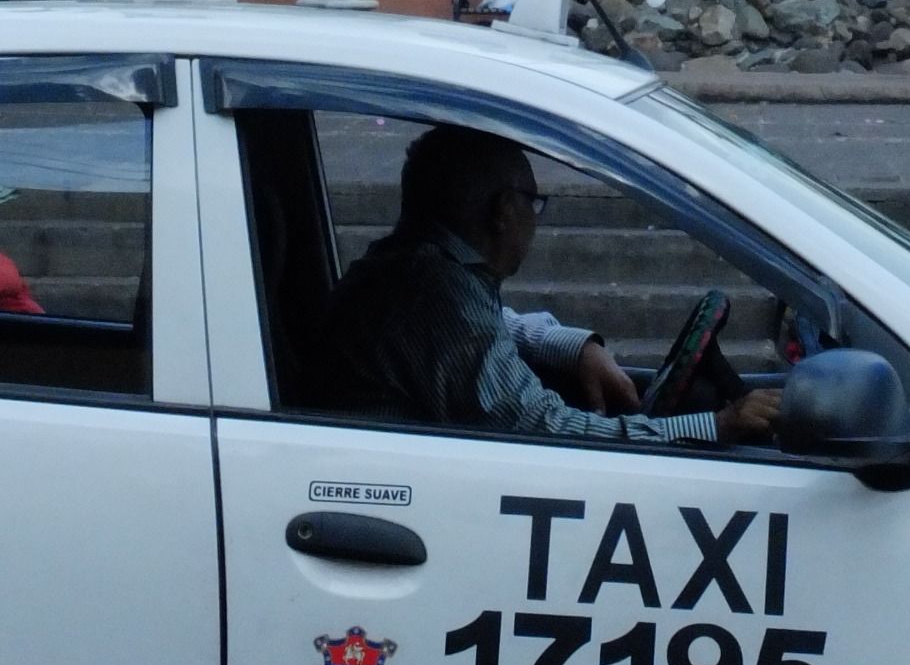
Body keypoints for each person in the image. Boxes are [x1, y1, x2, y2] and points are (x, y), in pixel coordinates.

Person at [325, 124, 781, 449]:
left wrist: (574, 348)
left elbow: (496, 323)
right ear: (503, 211)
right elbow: (542, 429)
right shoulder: (433, 296)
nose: (534, 217)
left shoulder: (417, 272)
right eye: (533, 202)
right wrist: (714, 427)